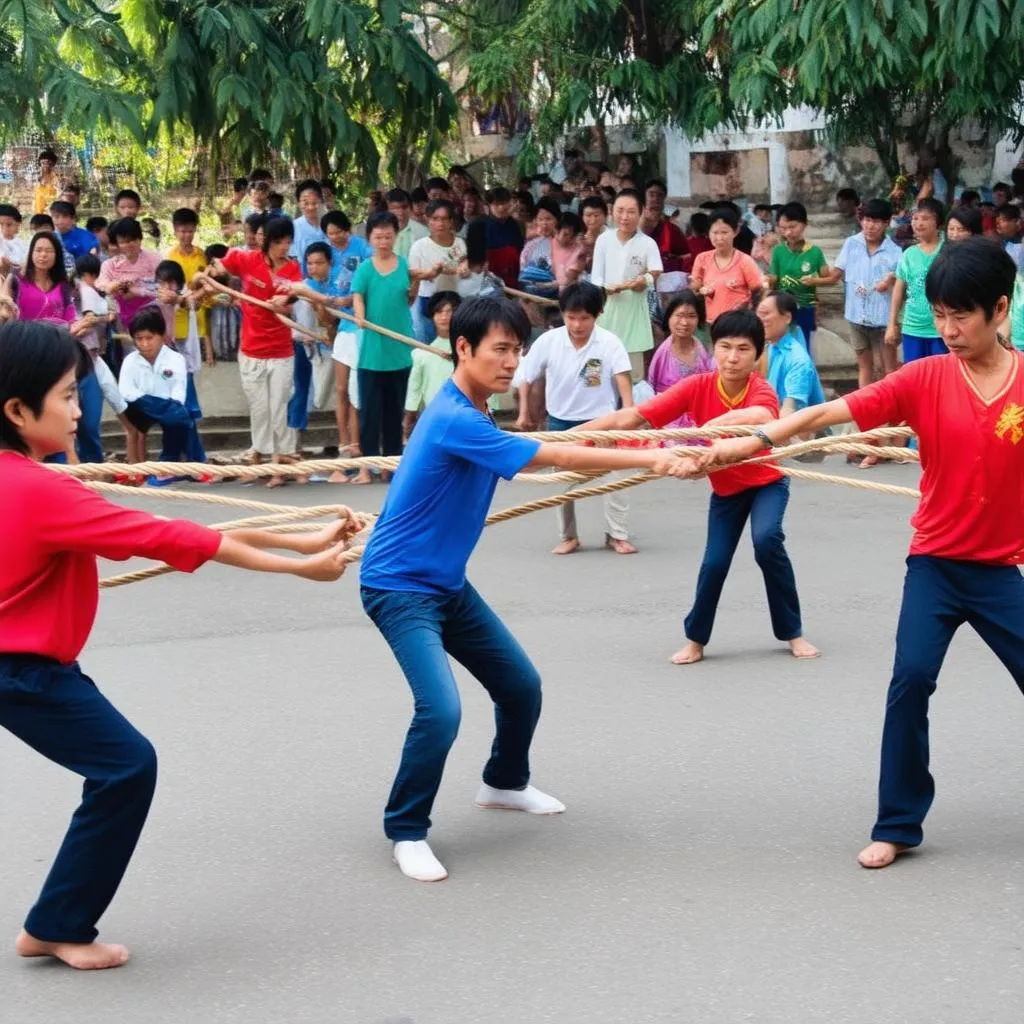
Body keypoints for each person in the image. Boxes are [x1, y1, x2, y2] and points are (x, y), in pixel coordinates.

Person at [0, 319, 357, 969]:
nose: (80, 410)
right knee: (127, 767)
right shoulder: (42, 490)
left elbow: (153, 531)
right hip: (23, 673)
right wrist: (299, 564)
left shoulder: (25, 481)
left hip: (31, 670)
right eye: (67, 397)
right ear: (18, 411)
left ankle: (56, 919)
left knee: (121, 767)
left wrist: (302, 540)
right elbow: (174, 538)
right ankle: (58, 923)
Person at [699, 237, 1024, 870]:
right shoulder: (926, 376)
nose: (949, 329)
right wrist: (753, 441)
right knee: (910, 683)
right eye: (941, 314)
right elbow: (828, 411)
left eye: (963, 316)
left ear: (999, 309)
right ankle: (898, 823)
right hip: (935, 565)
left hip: (1001, 570)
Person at [359, 295, 687, 882]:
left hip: (444, 584)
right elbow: (549, 454)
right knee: (440, 711)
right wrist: (651, 457)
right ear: (464, 349)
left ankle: (504, 783)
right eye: (501, 349)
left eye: (518, 350)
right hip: (399, 587)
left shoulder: (476, 413)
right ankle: (406, 828)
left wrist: (633, 440)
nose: (512, 362)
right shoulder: (456, 418)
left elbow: (548, 446)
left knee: (520, 686)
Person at [582, 308, 819, 666]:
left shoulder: (762, 390)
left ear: (757, 355)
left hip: (766, 483)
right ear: (714, 348)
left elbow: (760, 418)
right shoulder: (697, 386)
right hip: (727, 491)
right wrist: (577, 438)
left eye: (743, 349)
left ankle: (792, 632)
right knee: (714, 563)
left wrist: (708, 430)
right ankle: (696, 639)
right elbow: (636, 416)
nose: (733, 357)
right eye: (725, 347)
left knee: (767, 541)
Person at [514, 282, 637, 554]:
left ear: (597, 315)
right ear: (563, 314)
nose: (578, 324)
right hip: (562, 423)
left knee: (616, 480)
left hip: (603, 424)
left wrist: (628, 415)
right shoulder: (549, 341)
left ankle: (617, 535)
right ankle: (568, 536)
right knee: (562, 485)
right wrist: (524, 412)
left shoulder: (609, 342)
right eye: (572, 317)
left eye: (584, 318)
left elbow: (623, 381)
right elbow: (525, 375)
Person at [207, 216, 302, 487]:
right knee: (259, 408)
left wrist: (282, 303)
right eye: (279, 241)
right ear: (267, 241)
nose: (284, 246)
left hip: (281, 350)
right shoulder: (247, 260)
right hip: (251, 350)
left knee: (278, 407)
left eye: (288, 241)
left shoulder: (292, 269)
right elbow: (221, 265)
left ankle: (279, 463)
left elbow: (291, 301)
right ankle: (260, 457)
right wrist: (210, 272)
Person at [351, 211, 418, 483]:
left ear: (395, 236)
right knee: (370, 412)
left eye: (388, 235)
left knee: (394, 412)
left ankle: (391, 465)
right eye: (378, 236)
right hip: (372, 354)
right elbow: (358, 297)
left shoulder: (404, 265)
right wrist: (360, 317)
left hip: (399, 351)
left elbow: (409, 300)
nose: (383, 240)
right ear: (369, 238)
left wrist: (417, 283)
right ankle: (367, 467)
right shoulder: (365, 268)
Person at [117, 306, 205, 472]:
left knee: (180, 418)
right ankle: (154, 467)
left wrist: (167, 407)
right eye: (139, 338)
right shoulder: (130, 360)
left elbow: (178, 392)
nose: (144, 344)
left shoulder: (176, 359)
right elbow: (126, 391)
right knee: (177, 417)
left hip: (168, 404)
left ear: (162, 336)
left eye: (149, 338)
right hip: (139, 406)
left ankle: (173, 462)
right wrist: (151, 402)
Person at [590, 189, 663, 378]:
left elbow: (655, 272)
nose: (625, 217)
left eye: (631, 211)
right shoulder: (603, 240)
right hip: (605, 311)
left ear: (641, 212)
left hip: (634, 314)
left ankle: (631, 405)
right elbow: (596, 278)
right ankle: (591, 405)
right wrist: (606, 289)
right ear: (612, 211)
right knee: (594, 374)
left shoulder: (648, 243)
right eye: (620, 210)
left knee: (634, 378)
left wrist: (643, 281)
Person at [831, 198, 902, 389]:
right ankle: (865, 411)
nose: (869, 226)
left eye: (876, 222)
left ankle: (892, 410)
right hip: (856, 316)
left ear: (886, 223)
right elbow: (835, 273)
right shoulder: (851, 244)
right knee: (865, 367)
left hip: (883, 320)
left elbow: (901, 284)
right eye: (866, 220)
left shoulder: (895, 252)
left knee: (888, 369)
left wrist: (891, 279)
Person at [74, 254, 133, 463]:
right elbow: (87, 320)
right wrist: (105, 318)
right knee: (88, 416)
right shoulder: (85, 291)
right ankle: (90, 460)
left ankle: (130, 433)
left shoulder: (90, 291)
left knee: (113, 395)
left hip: (94, 356)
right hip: (84, 356)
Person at [285, 241, 341, 439]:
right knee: (300, 390)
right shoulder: (302, 288)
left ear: (330, 263)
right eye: (309, 263)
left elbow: (330, 319)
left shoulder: (338, 286)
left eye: (319, 263)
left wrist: (321, 308)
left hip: (329, 346)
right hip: (302, 344)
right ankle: (293, 434)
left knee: (321, 396)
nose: (313, 268)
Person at [886, 197, 945, 361]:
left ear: (938, 222)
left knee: (939, 376)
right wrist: (892, 324)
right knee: (914, 376)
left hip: (940, 328)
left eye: (925, 219)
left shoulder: (947, 251)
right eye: (915, 218)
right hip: (912, 328)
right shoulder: (908, 254)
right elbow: (899, 289)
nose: (919, 223)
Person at [767, 201, 830, 354]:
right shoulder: (778, 251)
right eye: (783, 228)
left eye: (792, 227)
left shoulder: (814, 252)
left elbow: (827, 277)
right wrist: (765, 282)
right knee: (780, 347)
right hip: (781, 307)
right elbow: (773, 278)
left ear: (804, 224)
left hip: (805, 307)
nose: (788, 232)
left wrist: (814, 281)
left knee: (803, 347)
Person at [646, 290, 715, 426]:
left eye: (691, 316)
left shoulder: (701, 350)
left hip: (698, 419)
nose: (684, 322)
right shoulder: (663, 353)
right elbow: (652, 390)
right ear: (669, 317)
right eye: (679, 315)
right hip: (669, 421)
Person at [690, 206, 764, 324]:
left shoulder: (744, 261)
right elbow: (695, 288)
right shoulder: (702, 259)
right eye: (715, 233)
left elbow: (759, 290)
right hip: (711, 323)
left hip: (738, 324)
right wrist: (699, 289)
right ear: (708, 233)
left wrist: (748, 311)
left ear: (735, 232)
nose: (719, 238)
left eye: (724, 232)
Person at [408, 199, 468, 342]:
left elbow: (465, 264)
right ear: (427, 220)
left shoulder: (460, 243)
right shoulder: (419, 246)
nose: (440, 224)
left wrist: (464, 267)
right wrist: (431, 273)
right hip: (429, 300)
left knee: (455, 342)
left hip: (456, 300)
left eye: (445, 219)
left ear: (451, 221)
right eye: (435, 219)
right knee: (430, 343)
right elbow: (412, 273)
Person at [757, 292, 826, 415]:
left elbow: (790, 409)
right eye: (759, 314)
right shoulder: (771, 345)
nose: (760, 319)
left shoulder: (798, 360)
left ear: (787, 318)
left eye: (765, 314)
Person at [403, 290, 457, 439]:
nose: (444, 317)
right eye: (439, 312)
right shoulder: (421, 354)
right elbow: (414, 391)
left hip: (464, 417)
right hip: (433, 418)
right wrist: (409, 419)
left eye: (449, 311)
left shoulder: (468, 352)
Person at [97, 218, 163, 328]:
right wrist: (111, 287)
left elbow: (163, 288)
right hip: (122, 318)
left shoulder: (155, 260)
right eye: (124, 242)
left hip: (153, 317)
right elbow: (103, 286)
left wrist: (138, 291)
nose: (129, 244)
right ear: (116, 244)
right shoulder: (109, 265)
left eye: (133, 239)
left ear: (140, 238)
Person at [465, 187, 523, 288]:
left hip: (514, 280)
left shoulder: (514, 224)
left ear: (510, 203)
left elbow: (520, 251)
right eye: (496, 204)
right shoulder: (477, 225)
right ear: (488, 206)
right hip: (488, 282)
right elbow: (474, 263)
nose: (501, 207)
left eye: (504, 203)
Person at [642, 178, 689, 273]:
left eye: (659, 195)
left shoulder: (672, 230)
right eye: (651, 195)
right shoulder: (630, 228)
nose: (655, 199)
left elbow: (686, 256)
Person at [290, 178, 327, 268]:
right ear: (299, 203)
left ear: (321, 201)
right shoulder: (293, 227)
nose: (310, 207)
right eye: (306, 203)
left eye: (314, 203)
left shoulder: (331, 223)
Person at [387, 187, 429, 260]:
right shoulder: (380, 231)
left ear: (411, 207)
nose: (400, 211)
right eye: (395, 208)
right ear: (387, 210)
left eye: (404, 207)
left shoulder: (423, 232)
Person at [0, 203, 27, 278]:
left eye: (9, 224)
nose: (4, 228)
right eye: (0, 224)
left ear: (18, 225)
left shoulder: (23, 244)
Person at [33, 150, 60, 216]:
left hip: (51, 213)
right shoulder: (36, 179)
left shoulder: (57, 179)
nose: (46, 165)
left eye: (48, 163)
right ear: (40, 163)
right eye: (43, 163)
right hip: (37, 213)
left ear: (53, 164)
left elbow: (59, 195)